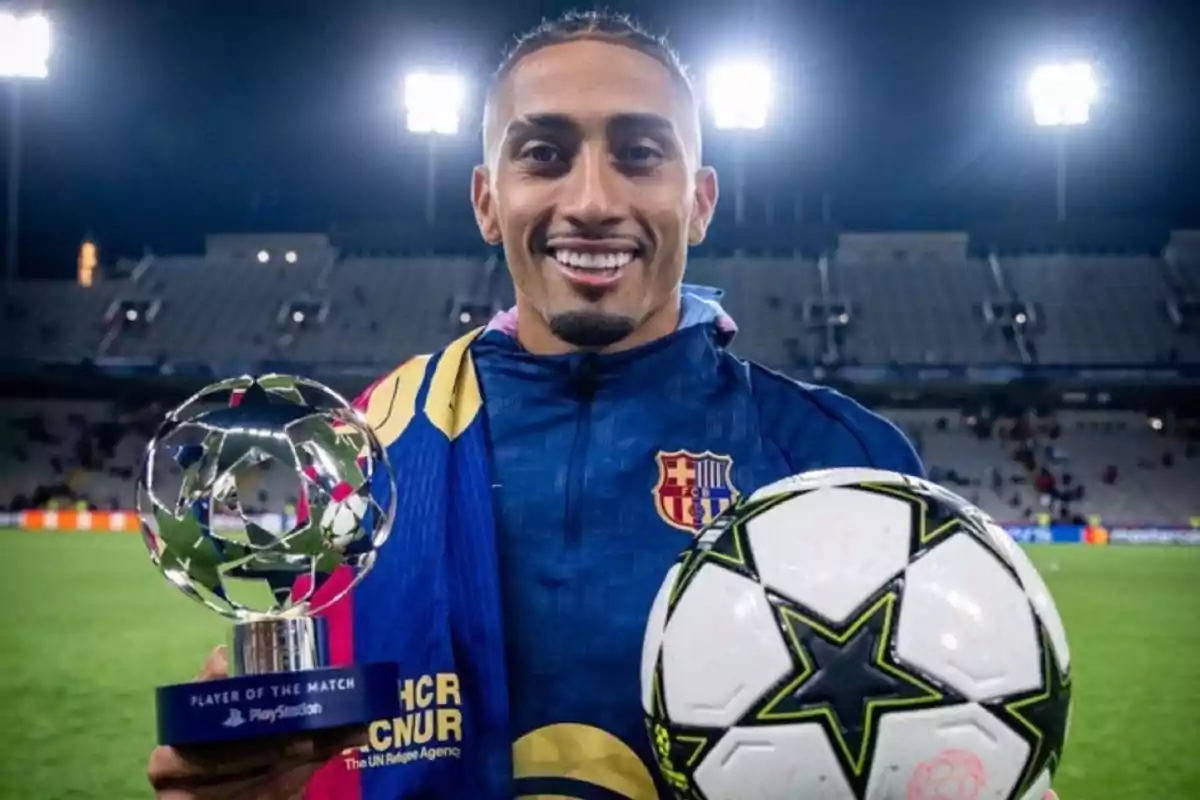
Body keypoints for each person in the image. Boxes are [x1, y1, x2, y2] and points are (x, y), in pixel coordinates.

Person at [149, 11, 926, 800]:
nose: (591, 200)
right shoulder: (376, 440)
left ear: (699, 201)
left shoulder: (846, 461)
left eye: (640, 154)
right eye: (544, 155)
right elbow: (322, 754)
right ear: (489, 201)